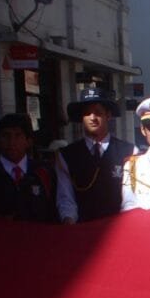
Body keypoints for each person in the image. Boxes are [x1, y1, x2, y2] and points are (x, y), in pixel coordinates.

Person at [54, 87, 134, 223]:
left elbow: (130, 199)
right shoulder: (66, 156)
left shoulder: (129, 152)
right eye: (87, 113)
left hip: (118, 227)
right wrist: (69, 222)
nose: (92, 118)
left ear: (108, 115)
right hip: (82, 229)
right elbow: (65, 198)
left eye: (98, 112)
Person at [0, 113, 60, 222]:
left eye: (18, 135)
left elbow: (54, 212)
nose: (11, 142)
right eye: (6, 136)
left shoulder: (44, 172)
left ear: (28, 141)